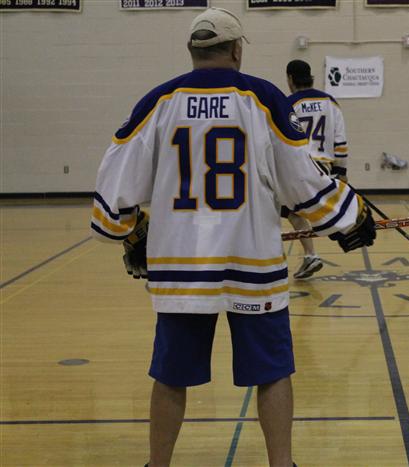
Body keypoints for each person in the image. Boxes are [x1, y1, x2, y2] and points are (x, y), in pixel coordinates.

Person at [89, 8, 375, 467]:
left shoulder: (158, 101)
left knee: (171, 376)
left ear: (191, 50)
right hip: (252, 262)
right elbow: (301, 181)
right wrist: (347, 215)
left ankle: (156, 465)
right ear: (238, 50)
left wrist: (128, 230)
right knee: (272, 372)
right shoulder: (263, 98)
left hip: (181, 269)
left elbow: (112, 190)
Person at [283, 59, 350, 280]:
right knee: (295, 212)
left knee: (281, 210)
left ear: (290, 78)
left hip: (298, 165)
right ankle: (311, 255)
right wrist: (341, 171)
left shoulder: (288, 103)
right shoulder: (330, 102)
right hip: (323, 167)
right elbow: (340, 140)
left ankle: (278, 258)